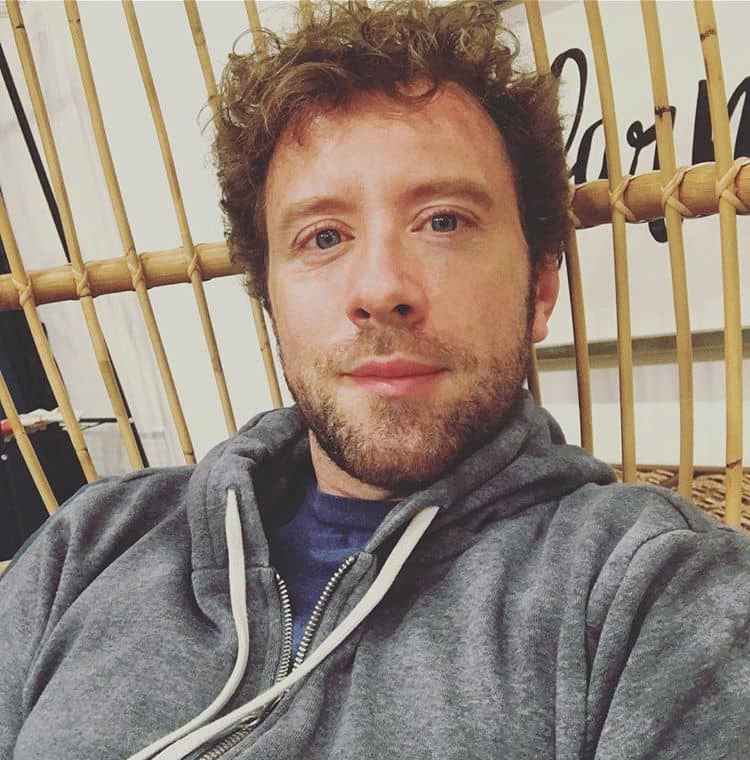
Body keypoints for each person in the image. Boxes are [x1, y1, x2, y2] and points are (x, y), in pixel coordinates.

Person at [1, 1, 749, 758]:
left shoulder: (658, 594)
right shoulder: (90, 543)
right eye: (323, 236)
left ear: (541, 288)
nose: (381, 288)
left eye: (444, 221)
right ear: (270, 300)